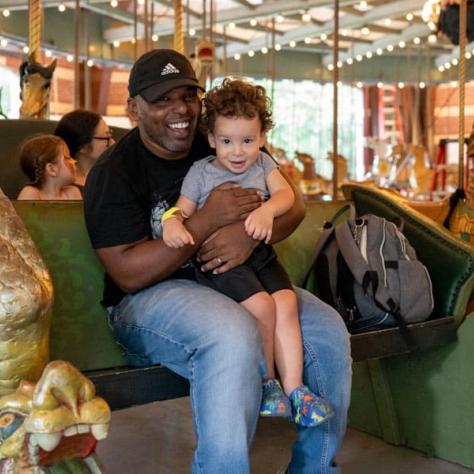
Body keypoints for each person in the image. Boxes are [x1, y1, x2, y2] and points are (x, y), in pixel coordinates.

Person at [84, 48, 351, 474]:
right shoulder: (114, 171)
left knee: (326, 329)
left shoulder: (230, 139)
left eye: (187, 96)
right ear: (133, 108)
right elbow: (128, 273)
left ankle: (315, 467)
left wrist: (246, 235)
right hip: (149, 299)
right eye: (161, 99)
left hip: (237, 277)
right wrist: (208, 222)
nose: (179, 111)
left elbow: (293, 207)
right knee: (231, 333)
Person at [162, 77, 334, 426]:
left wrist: (267, 210)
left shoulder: (264, 166)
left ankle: (296, 389)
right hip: (222, 263)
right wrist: (171, 223)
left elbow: (286, 197)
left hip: (260, 254)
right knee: (263, 306)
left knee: (286, 304)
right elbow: (181, 208)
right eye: (226, 141)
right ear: (211, 139)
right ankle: (267, 383)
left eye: (247, 141)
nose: (237, 151)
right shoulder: (201, 172)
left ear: (261, 139)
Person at [54, 109, 115, 195]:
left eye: (110, 135)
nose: (113, 142)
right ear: (83, 147)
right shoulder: (59, 187)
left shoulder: (115, 176)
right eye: (106, 138)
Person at [17, 134, 82, 200]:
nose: (74, 161)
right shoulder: (30, 193)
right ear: (51, 169)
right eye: (67, 158)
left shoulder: (72, 193)